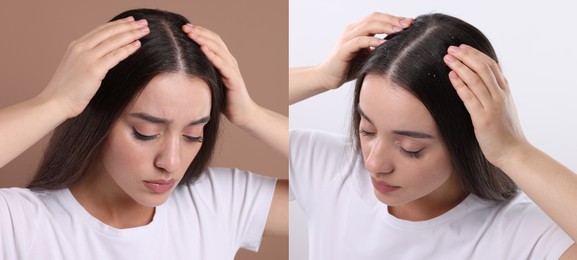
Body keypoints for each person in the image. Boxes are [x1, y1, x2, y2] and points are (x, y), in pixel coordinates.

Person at [0, 8, 287, 259]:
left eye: (193, 134)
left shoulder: (218, 202)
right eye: (145, 132)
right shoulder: (19, 224)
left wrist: (252, 115)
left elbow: (331, 184)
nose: (171, 162)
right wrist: (56, 102)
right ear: (98, 119)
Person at [289, 12, 577, 259]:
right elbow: (243, 109)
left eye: (410, 148)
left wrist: (513, 151)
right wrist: (319, 76)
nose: (375, 164)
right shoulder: (332, 176)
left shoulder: (521, 235)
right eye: (367, 130)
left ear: (466, 139)